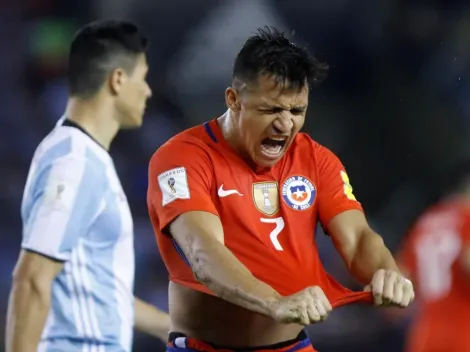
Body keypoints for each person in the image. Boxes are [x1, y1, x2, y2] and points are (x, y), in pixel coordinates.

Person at [147, 27, 414, 352]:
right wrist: (274, 302)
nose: (285, 124)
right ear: (233, 99)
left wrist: (386, 272)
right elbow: (204, 255)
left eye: (296, 111)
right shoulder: (182, 158)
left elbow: (357, 239)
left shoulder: (316, 160)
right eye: (271, 110)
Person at [6, 20, 170, 352]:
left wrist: (179, 330)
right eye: (143, 78)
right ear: (118, 80)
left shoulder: (87, 159)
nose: (149, 90)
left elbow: (100, 293)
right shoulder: (73, 162)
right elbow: (32, 278)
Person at [396, 161, 470, 352]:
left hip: (425, 334)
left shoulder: (426, 221)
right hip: (464, 330)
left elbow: (400, 278)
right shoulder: (466, 217)